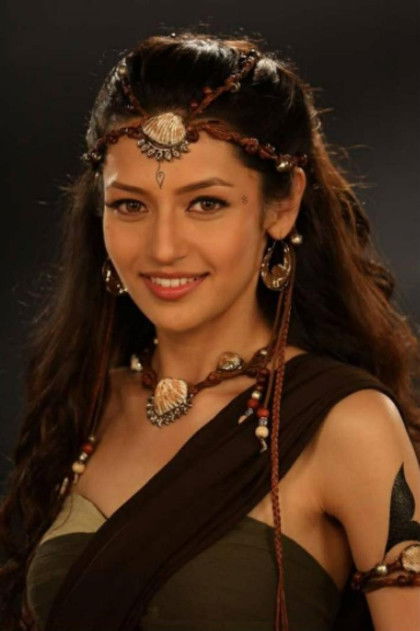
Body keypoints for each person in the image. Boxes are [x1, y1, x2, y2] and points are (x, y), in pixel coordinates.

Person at [0, 31, 419, 631]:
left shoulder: (347, 425)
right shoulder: (85, 404)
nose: (163, 248)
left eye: (206, 204)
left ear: (282, 207)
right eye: (130, 206)